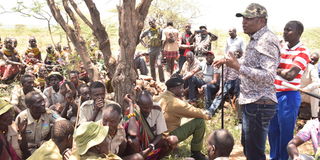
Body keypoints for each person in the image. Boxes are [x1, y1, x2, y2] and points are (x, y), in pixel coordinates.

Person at [214, 3, 280, 159]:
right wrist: (227, 61)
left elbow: (269, 76)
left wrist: (237, 66)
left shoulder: (266, 40)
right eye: (243, 18)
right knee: (249, 147)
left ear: (262, 21)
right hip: (253, 103)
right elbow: (251, 63)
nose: (244, 22)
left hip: (259, 103)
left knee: (254, 153)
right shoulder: (256, 39)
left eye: (249, 18)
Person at [269, 20, 310, 160]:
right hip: (273, 94)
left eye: (289, 30)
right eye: (284, 29)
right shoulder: (281, 47)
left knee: (285, 133)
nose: (285, 32)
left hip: (289, 96)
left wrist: (277, 69)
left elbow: (290, 75)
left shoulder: (303, 51)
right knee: (272, 131)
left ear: (299, 33)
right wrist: (280, 70)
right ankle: (274, 157)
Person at [154, 76, 211, 160]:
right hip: (167, 136)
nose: (183, 89)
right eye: (180, 88)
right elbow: (196, 113)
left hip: (156, 135)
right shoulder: (176, 103)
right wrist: (207, 114)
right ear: (173, 89)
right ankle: (196, 153)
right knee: (199, 121)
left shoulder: (159, 96)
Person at [124, 91, 178, 159]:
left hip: (152, 144)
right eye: (145, 108)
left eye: (150, 106)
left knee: (173, 140)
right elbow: (132, 133)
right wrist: (131, 105)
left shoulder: (157, 109)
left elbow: (160, 133)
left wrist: (152, 145)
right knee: (133, 141)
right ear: (138, 104)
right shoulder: (132, 111)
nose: (149, 110)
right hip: (137, 148)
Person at [207, 50, 242, 116]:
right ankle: (210, 111)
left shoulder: (241, 63)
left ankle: (239, 114)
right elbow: (223, 76)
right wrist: (221, 88)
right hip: (230, 81)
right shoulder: (228, 63)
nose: (236, 56)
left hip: (239, 81)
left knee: (239, 95)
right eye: (235, 55)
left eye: (238, 55)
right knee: (221, 93)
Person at [300, 52, 320, 119]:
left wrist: (306, 88)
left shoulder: (312, 68)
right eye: (311, 59)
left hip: (306, 93)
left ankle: (314, 116)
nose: (312, 61)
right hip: (295, 92)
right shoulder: (299, 63)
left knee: (316, 90)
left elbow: (317, 82)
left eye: (315, 60)